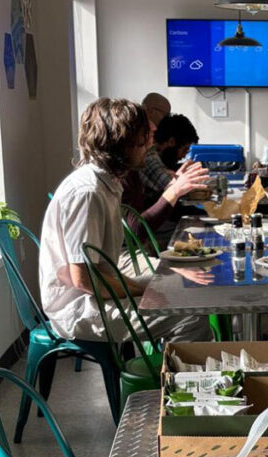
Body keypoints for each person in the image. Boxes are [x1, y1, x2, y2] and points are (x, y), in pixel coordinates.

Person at [40, 97, 211, 343]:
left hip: (99, 289)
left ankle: (174, 371)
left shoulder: (106, 182)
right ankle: (182, 380)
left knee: (183, 284)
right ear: (123, 143)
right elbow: (83, 279)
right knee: (191, 316)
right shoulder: (88, 192)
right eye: (144, 137)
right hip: (79, 308)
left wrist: (149, 286)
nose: (151, 141)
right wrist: (142, 289)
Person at [140, 113, 199, 205]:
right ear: (171, 142)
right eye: (184, 150)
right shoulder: (150, 158)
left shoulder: (159, 157)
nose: (183, 156)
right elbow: (175, 189)